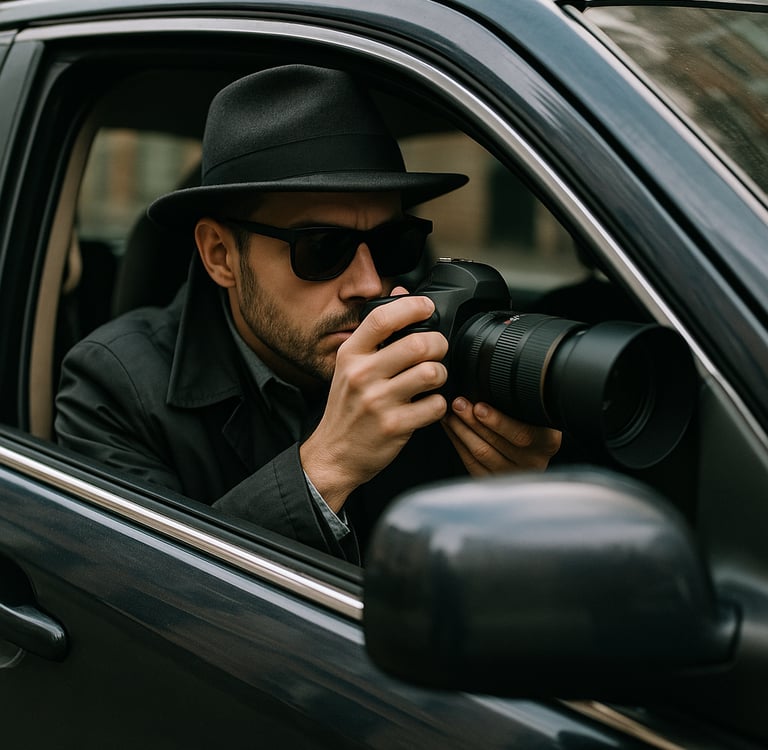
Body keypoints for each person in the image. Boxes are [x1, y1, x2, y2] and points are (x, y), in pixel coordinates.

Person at [55, 65, 561, 563]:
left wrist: (518, 505)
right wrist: (327, 465)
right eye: (322, 248)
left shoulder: (436, 365)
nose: (368, 284)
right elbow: (142, 606)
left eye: (390, 244)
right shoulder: (112, 386)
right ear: (220, 255)